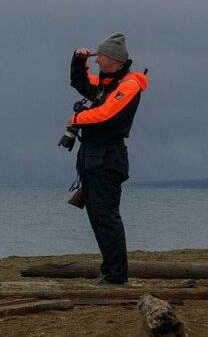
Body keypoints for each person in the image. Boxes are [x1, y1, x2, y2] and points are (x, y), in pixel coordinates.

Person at [68, 32, 148, 285]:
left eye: (100, 56)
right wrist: (78, 60)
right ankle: (110, 270)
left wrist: (76, 119)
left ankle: (115, 274)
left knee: (106, 216)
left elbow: (107, 114)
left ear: (113, 59)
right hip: (92, 154)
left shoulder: (129, 85)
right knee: (97, 215)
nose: (97, 59)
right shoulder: (107, 83)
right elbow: (80, 83)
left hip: (107, 156)